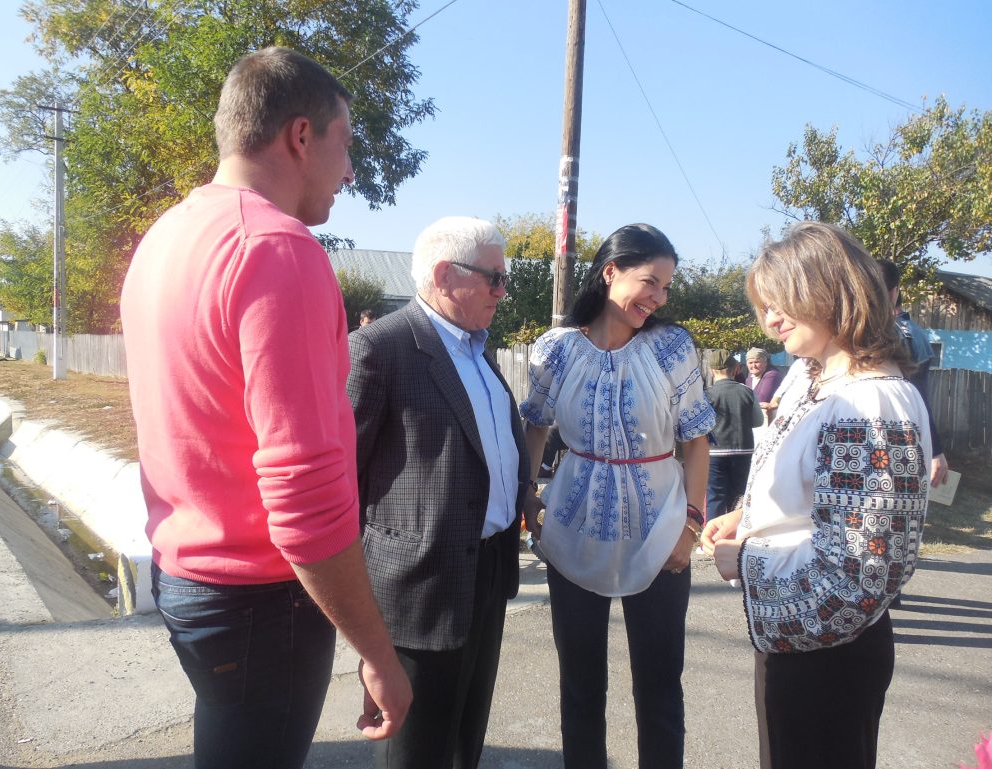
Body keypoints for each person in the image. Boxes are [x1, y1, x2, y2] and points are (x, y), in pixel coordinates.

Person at [120, 47, 411, 769]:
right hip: (258, 597)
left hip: (188, 573)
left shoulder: (166, 237)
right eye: (346, 143)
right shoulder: (278, 248)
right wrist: (378, 653)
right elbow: (304, 490)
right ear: (301, 136)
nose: (350, 171)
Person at [702, 222, 931, 769]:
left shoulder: (869, 404)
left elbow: (860, 575)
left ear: (830, 291)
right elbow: (814, 492)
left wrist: (746, 559)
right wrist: (745, 514)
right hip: (800, 645)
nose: (770, 319)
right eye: (764, 306)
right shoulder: (814, 376)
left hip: (830, 658)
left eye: (781, 302)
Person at [521, 223, 714, 769]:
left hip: (661, 533)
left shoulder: (671, 347)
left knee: (660, 686)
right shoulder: (557, 349)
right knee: (580, 685)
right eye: (650, 282)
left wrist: (691, 524)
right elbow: (535, 424)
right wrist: (528, 495)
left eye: (666, 287)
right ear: (611, 272)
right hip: (571, 530)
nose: (659, 298)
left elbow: (697, 440)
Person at [346, 216, 529, 769]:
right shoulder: (379, 348)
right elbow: (340, 478)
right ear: (446, 274)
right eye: (494, 278)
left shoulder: (478, 347)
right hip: (418, 585)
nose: (502, 291)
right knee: (415, 750)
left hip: (487, 567)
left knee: (464, 738)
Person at [877, 259, 950, 487]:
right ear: (895, 291)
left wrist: (936, 451)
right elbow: (921, 398)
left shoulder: (865, 333)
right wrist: (935, 449)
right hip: (903, 442)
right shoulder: (916, 335)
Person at [705, 349, 763, 523]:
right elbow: (758, 421)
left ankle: (713, 534)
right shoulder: (747, 391)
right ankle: (736, 532)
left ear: (711, 371)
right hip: (743, 451)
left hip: (714, 452)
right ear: (735, 369)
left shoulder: (707, 394)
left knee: (715, 496)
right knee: (739, 496)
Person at [745, 347, 784, 424]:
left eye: (757, 362)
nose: (753, 366)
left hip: (771, 419)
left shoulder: (772, 375)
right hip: (757, 418)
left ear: (765, 363)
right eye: (750, 363)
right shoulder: (751, 376)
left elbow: (762, 399)